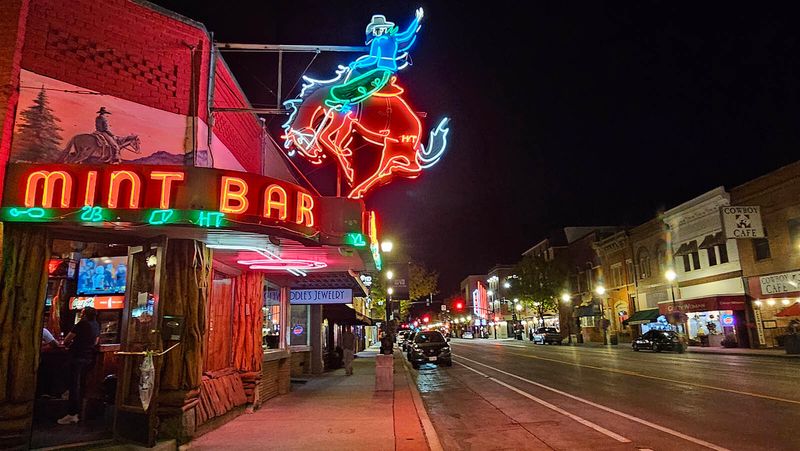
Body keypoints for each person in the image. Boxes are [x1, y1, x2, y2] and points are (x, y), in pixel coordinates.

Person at [327, 8, 424, 108]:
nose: (377, 32)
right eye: (376, 30)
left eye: (379, 29)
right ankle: (343, 100)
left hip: (385, 71)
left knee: (366, 83)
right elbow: (372, 58)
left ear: (384, 28)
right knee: (362, 79)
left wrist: (416, 20)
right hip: (382, 69)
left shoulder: (392, 38)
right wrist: (358, 64)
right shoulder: (378, 41)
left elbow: (407, 34)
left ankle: (345, 100)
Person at [58, 307, 100, 425]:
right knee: (80, 385)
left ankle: (72, 414)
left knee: (73, 385)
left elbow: (66, 340)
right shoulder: (96, 325)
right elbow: (96, 342)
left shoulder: (82, 324)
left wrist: (72, 343)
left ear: (84, 314)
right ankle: (79, 412)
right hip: (89, 358)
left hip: (77, 357)